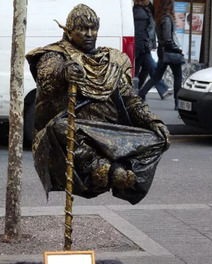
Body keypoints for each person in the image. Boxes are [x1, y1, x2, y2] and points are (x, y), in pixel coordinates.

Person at [28, 4, 170, 205]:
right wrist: (63, 72)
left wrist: (152, 120)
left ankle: (122, 174)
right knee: (60, 128)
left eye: (93, 28)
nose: (89, 34)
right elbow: (47, 74)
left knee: (157, 138)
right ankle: (104, 169)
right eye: (82, 29)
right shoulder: (55, 55)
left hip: (108, 131)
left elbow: (130, 98)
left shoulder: (112, 60)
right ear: (69, 31)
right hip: (77, 131)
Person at [139, 0, 185, 110]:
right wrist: (178, 50)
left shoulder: (159, 18)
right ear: (169, 6)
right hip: (170, 52)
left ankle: (142, 94)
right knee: (178, 77)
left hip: (163, 51)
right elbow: (168, 40)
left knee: (157, 76)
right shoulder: (167, 19)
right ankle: (177, 103)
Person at [133, 0, 168, 98]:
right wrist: (142, 46)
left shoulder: (146, 9)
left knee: (146, 69)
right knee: (145, 68)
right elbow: (139, 32)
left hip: (144, 45)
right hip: (141, 46)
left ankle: (139, 92)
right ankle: (138, 92)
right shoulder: (139, 13)